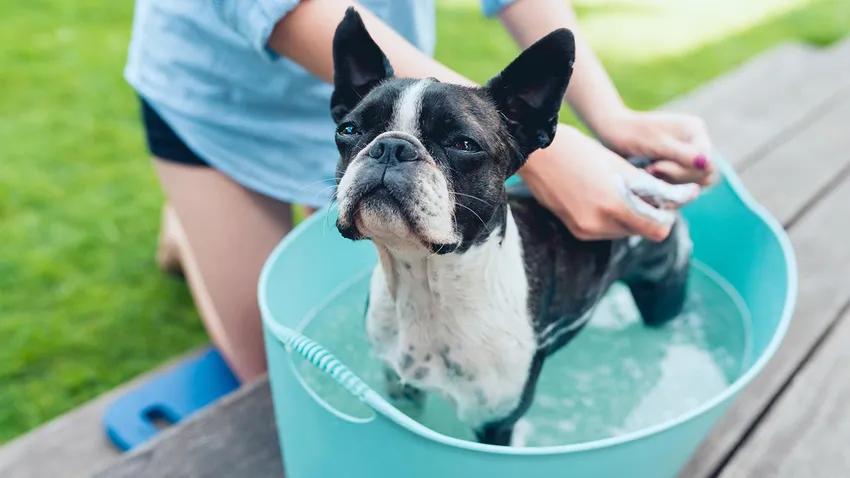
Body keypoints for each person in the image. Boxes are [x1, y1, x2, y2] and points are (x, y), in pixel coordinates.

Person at [125, 0, 716, 382]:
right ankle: (193, 225)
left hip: (380, 95)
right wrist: (544, 157)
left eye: (460, 143)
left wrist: (609, 115)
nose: (396, 155)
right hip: (220, 95)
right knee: (274, 376)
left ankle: (203, 226)